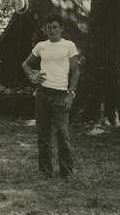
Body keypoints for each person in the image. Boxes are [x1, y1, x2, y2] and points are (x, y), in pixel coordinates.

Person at [21, 13, 80, 178]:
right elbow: (25, 64)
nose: (52, 30)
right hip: (42, 93)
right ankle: (45, 172)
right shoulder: (41, 46)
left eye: (55, 27)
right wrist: (32, 76)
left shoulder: (69, 45)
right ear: (45, 30)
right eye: (49, 28)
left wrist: (71, 94)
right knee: (43, 133)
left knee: (62, 133)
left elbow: (75, 72)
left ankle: (66, 173)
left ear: (61, 28)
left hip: (61, 94)